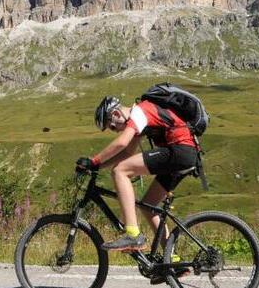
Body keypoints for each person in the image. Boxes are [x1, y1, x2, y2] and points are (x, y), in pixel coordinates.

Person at [76, 95, 199, 252]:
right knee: (149, 206)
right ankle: (172, 259)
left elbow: (122, 142)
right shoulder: (139, 119)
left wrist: (94, 160)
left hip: (179, 151)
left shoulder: (140, 111)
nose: (116, 131)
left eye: (113, 127)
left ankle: (133, 235)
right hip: (184, 154)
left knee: (120, 171)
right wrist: (98, 166)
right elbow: (127, 152)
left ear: (115, 114)